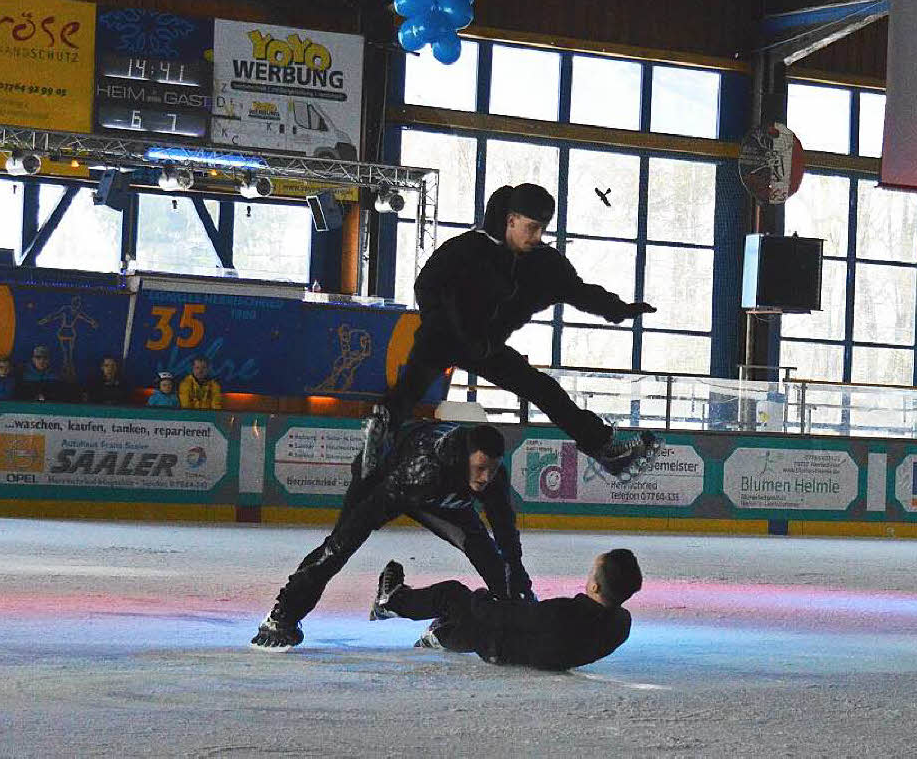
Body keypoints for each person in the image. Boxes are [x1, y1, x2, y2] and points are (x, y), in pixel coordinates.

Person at [363, 183, 657, 480]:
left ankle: (605, 449)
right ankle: (380, 434)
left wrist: (619, 310)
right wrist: (443, 323)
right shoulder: (468, 248)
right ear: (510, 220)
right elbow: (426, 285)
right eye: (531, 228)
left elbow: (580, 292)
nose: (537, 237)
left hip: (486, 347)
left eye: (542, 229)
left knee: (543, 389)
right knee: (412, 386)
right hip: (443, 335)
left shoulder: (544, 265)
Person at [250, 422, 534, 651]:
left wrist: (519, 582)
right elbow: (358, 525)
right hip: (383, 477)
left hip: (443, 496)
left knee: (492, 557)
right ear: (464, 459)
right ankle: (282, 615)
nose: (486, 478)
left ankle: (518, 614)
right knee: (339, 546)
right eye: (480, 469)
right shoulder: (422, 471)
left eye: (492, 469)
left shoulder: (492, 477)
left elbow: (505, 532)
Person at [370, 548, 641, 671]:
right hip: (523, 650)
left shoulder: (562, 613)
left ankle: (390, 604)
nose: (588, 575)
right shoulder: (621, 625)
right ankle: (440, 633)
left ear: (594, 588)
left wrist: (481, 596)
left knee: (453, 593)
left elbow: (495, 614)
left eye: (592, 572)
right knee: (490, 613)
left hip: (493, 644)